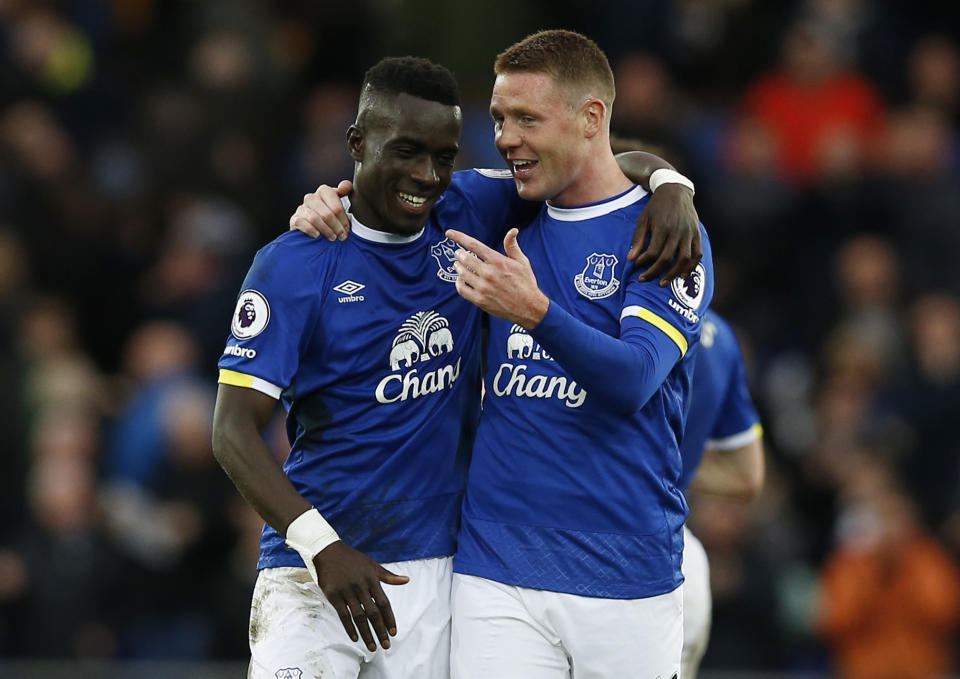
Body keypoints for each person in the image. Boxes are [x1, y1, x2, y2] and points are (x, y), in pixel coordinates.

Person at [213, 55, 700, 679]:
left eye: (444, 157)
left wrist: (670, 185)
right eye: (408, 152)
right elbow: (231, 431)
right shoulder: (296, 262)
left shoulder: (468, 211)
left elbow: (592, 163)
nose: (427, 176)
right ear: (357, 143)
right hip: (313, 568)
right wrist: (322, 546)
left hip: (435, 567)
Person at [440, 30, 713, 678]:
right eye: (501, 119)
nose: (506, 138)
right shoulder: (500, 206)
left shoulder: (664, 231)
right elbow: (393, 191)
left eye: (527, 119)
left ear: (592, 118)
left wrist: (534, 312)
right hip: (496, 568)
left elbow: (634, 378)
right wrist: (324, 208)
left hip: (626, 572)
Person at [677, 310, 765, 678]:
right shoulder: (721, 336)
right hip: (680, 560)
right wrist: (672, 469)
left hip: (578, 546)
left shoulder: (589, 316)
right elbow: (748, 476)